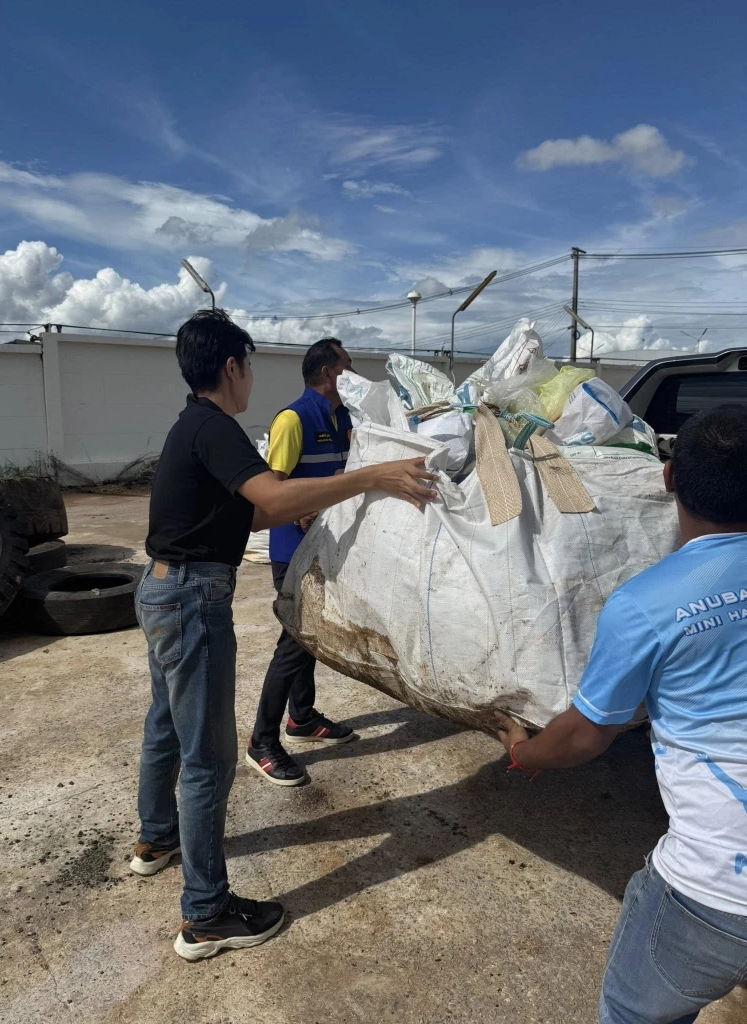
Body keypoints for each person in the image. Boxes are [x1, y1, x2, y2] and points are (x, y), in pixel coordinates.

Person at [130, 309, 436, 962]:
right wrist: (374, 477)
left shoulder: (194, 426)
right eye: (249, 367)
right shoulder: (216, 428)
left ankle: (156, 839)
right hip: (190, 600)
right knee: (208, 761)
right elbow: (272, 500)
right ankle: (206, 916)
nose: (251, 381)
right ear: (232, 367)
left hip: (163, 589)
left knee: (164, 723)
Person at [492, 404, 747, 1024]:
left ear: (665, 481)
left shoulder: (646, 603)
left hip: (714, 890)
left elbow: (583, 737)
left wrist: (524, 752)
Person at [246, 338, 355, 787]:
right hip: (292, 551)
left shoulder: (344, 416)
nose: (353, 375)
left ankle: (302, 719)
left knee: (308, 640)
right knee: (294, 642)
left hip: (326, 547)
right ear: (329, 373)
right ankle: (262, 742)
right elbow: (274, 489)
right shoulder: (293, 419)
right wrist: (305, 512)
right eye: (347, 367)